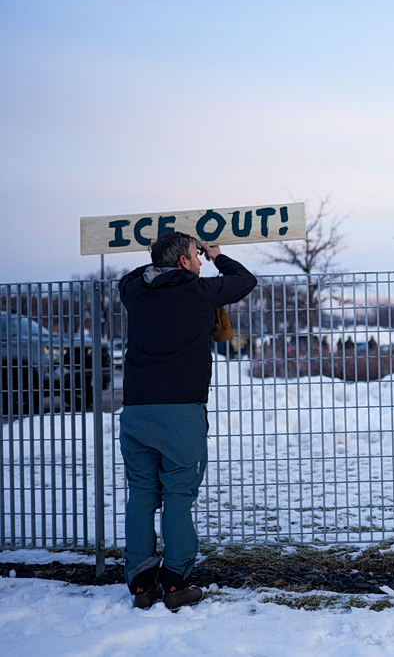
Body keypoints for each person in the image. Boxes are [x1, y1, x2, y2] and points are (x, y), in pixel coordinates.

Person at [118, 231, 257, 609]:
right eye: (196, 255)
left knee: (142, 494)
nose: (199, 261)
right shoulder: (199, 292)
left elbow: (129, 277)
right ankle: (176, 583)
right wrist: (218, 256)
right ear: (184, 263)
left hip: (135, 412)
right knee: (178, 496)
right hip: (180, 413)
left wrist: (161, 259)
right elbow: (246, 281)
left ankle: (141, 583)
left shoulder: (135, 292)